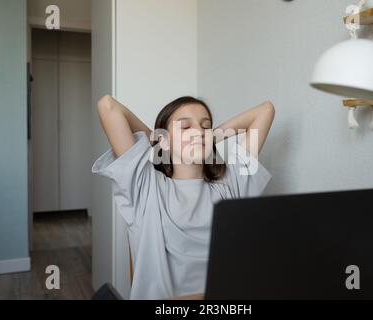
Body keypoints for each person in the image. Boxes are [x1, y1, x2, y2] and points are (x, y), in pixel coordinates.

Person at [92, 95, 275, 299]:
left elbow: (265, 111)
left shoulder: (231, 184)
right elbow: (107, 106)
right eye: (186, 127)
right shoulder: (146, 187)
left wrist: (211, 136)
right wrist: (159, 140)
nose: (198, 131)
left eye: (205, 126)